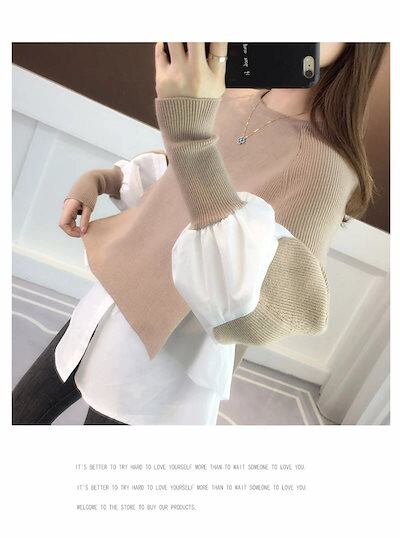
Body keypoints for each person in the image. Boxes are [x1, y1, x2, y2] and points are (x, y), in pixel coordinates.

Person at [12, 42, 386, 426]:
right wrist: (101, 179)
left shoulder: (327, 169)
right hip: (107, 304)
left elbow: (273, 304)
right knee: (18, 413)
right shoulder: (232, 96)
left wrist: (189, 134)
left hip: (159, 359)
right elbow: (176, 182)